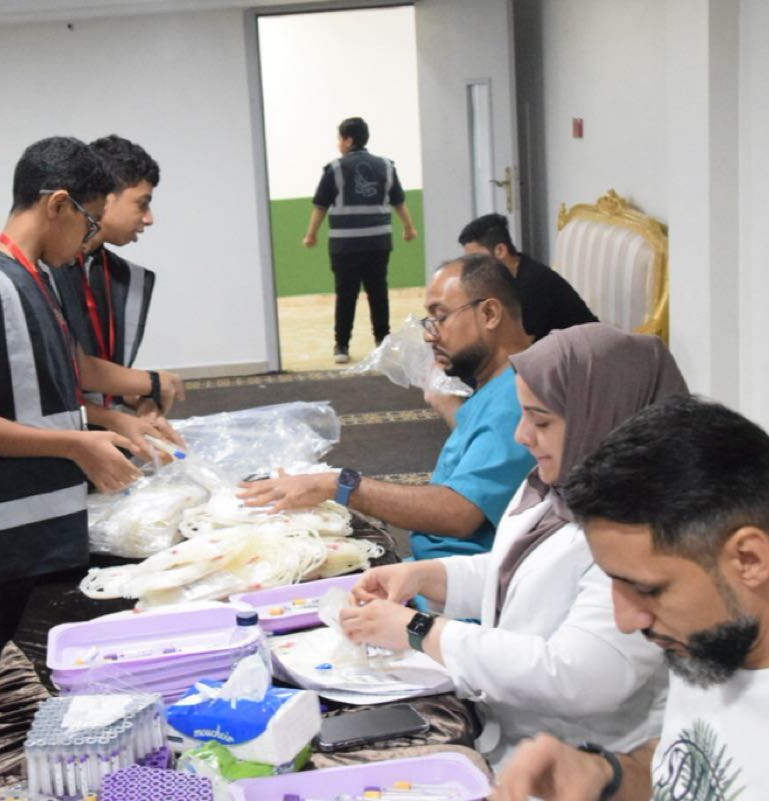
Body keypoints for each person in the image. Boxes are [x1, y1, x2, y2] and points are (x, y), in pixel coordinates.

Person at [339, 323, 684, 769]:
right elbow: (516, 571)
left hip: (584, 767)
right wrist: (425, 576)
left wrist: (421, 630)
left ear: (602, 418)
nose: (521, 435)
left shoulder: (642, 530)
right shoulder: (557, 485)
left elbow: (579, 677)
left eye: (540, 421)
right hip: (514, 738)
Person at [0, 137, 185, 724]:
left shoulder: (38, 281)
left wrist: (112, 420)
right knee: (11, 680)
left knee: (49, 670)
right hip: (6, 528)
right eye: (88, 222)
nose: (88, 238)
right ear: (58, 205)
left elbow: (50, 385)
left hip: (44, 518)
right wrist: (76, 443)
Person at [493, 396, 769, 800]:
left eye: (646, 590)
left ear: (749, 559)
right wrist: (605, 774)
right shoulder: (714, 641)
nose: (625, 621)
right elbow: (684, 766)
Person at [240, 253, 535, 562]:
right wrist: (447, 404)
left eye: (440, 317)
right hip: (436, 566)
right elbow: (486, 446)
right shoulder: (501, 387)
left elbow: (459, 513)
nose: (428, 334)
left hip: (453, 578)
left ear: (489, 313)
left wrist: (341, 486)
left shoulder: (516, 399)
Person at [51, 134, 181, 449]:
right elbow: (58, 374)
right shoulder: (46, 269)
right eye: (142, 203)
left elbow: (98, 373)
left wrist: (140, 398)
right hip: (54, 448)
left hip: (100, 444)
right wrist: (152, 382)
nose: (149, 218)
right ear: (104, 198)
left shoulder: (115, 274)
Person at [304, 116, 418, 364]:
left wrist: (311, 234)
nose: (338, 143)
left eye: (339, 138)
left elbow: (320, 206)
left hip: (345, 245)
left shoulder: (334, 168)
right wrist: (409, 227)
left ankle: (342, 346)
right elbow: (399, 201)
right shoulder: (386, 166)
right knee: (378, 293)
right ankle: (383, 342)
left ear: (348, 140)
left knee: (346, 295)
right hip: (378, 243)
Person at [459, 213, 596, 342]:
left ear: (500, 250)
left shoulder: (533, 282)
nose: (473, 267)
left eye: (477, 259)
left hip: (584, 350)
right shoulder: (506, 276)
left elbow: (522, 344)